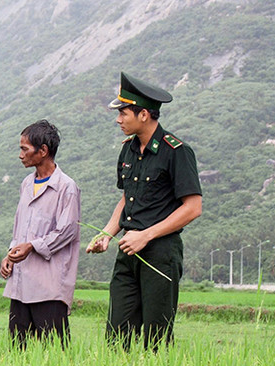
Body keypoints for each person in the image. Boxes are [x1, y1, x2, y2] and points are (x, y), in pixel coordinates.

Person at [86, 72, 202, 350]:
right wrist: (107, 234)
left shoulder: (176, 151)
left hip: (161, 252)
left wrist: (146, 236)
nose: (118, 119)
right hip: (128, 251)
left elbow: (193, 208)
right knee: (117, 334)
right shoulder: (128, 150)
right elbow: (126, 198)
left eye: (123, 113)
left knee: (156, 339)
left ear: (144, 115)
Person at [0, 120, 81, 349]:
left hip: (49, 286)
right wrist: (10, 254)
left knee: (54, 353)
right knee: (18, 350)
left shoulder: (66, 187)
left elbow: (67, 231)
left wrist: (32, 246)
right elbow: (19, 228)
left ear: (43, 151)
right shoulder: (27, 184)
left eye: (24, 149)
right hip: (21, 283)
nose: (20, 155)